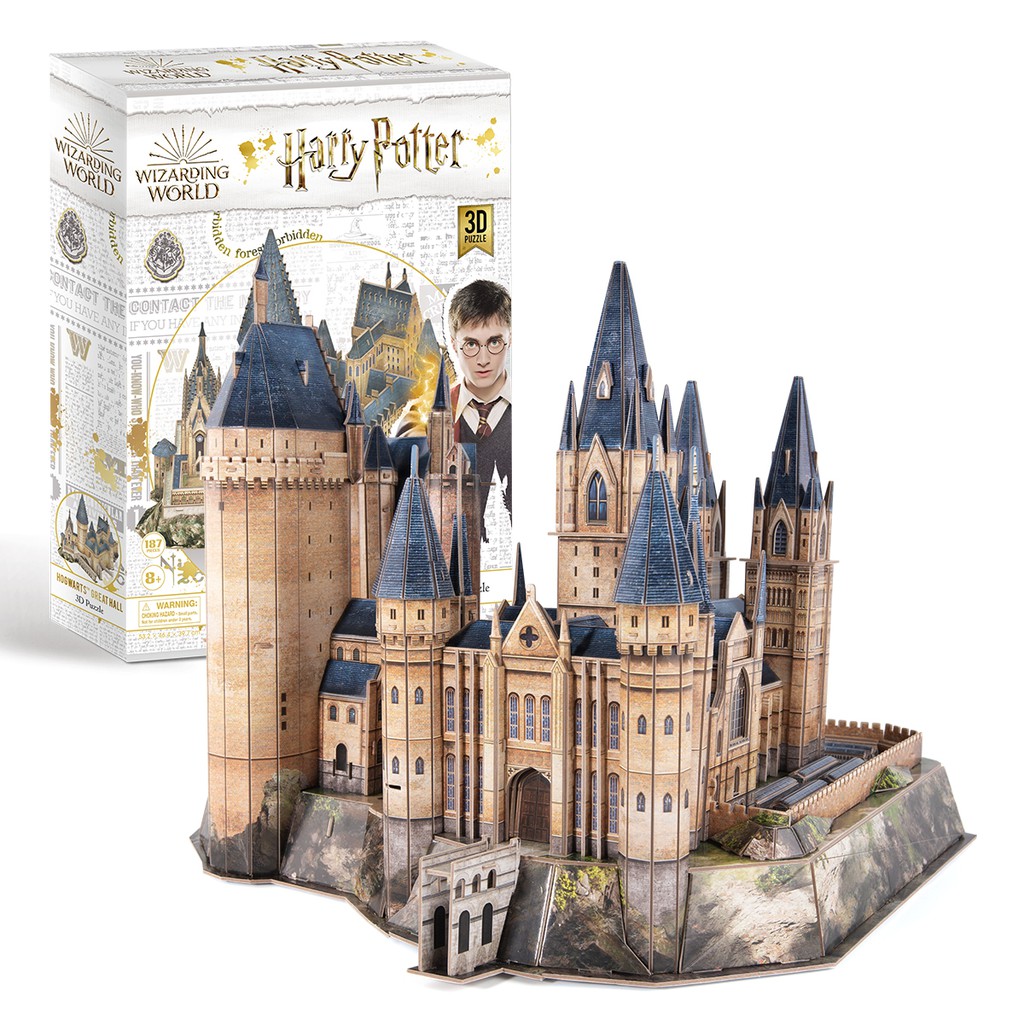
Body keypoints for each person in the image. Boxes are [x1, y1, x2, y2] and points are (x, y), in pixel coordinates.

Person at [448, 279, 512, 535]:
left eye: (494, 342)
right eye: (471, 344)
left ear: (510, 338)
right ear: (454, 345)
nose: (483, 360)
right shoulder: (431, 416)